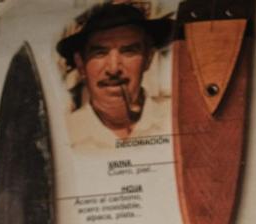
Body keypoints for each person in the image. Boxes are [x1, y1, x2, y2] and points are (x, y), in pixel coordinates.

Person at [59, 3, 172, 152]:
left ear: (148, 59)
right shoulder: (64, 137)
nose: (113, 69)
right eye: (100, 53)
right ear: (81, 64)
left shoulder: (175, 120)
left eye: (128, 51)